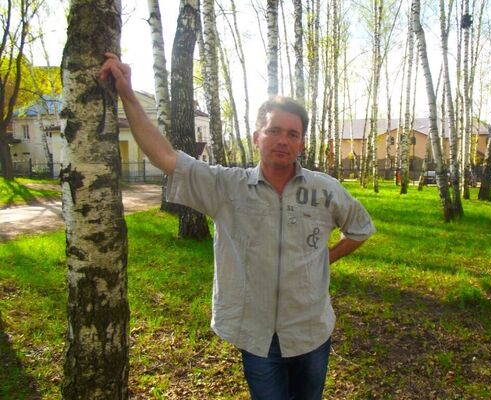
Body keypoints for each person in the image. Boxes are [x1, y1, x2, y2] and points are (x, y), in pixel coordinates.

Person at [100, 53, 375, 400]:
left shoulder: (325, 190)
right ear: (257, 136)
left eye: (292, 134)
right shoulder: (227, 187)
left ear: (301, 142)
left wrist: (326, 258)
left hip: (311, 329)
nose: (283, 140)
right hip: (257, 336)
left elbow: (360, 228)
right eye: (274, 131)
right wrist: (127, 94)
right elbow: (165, 157)